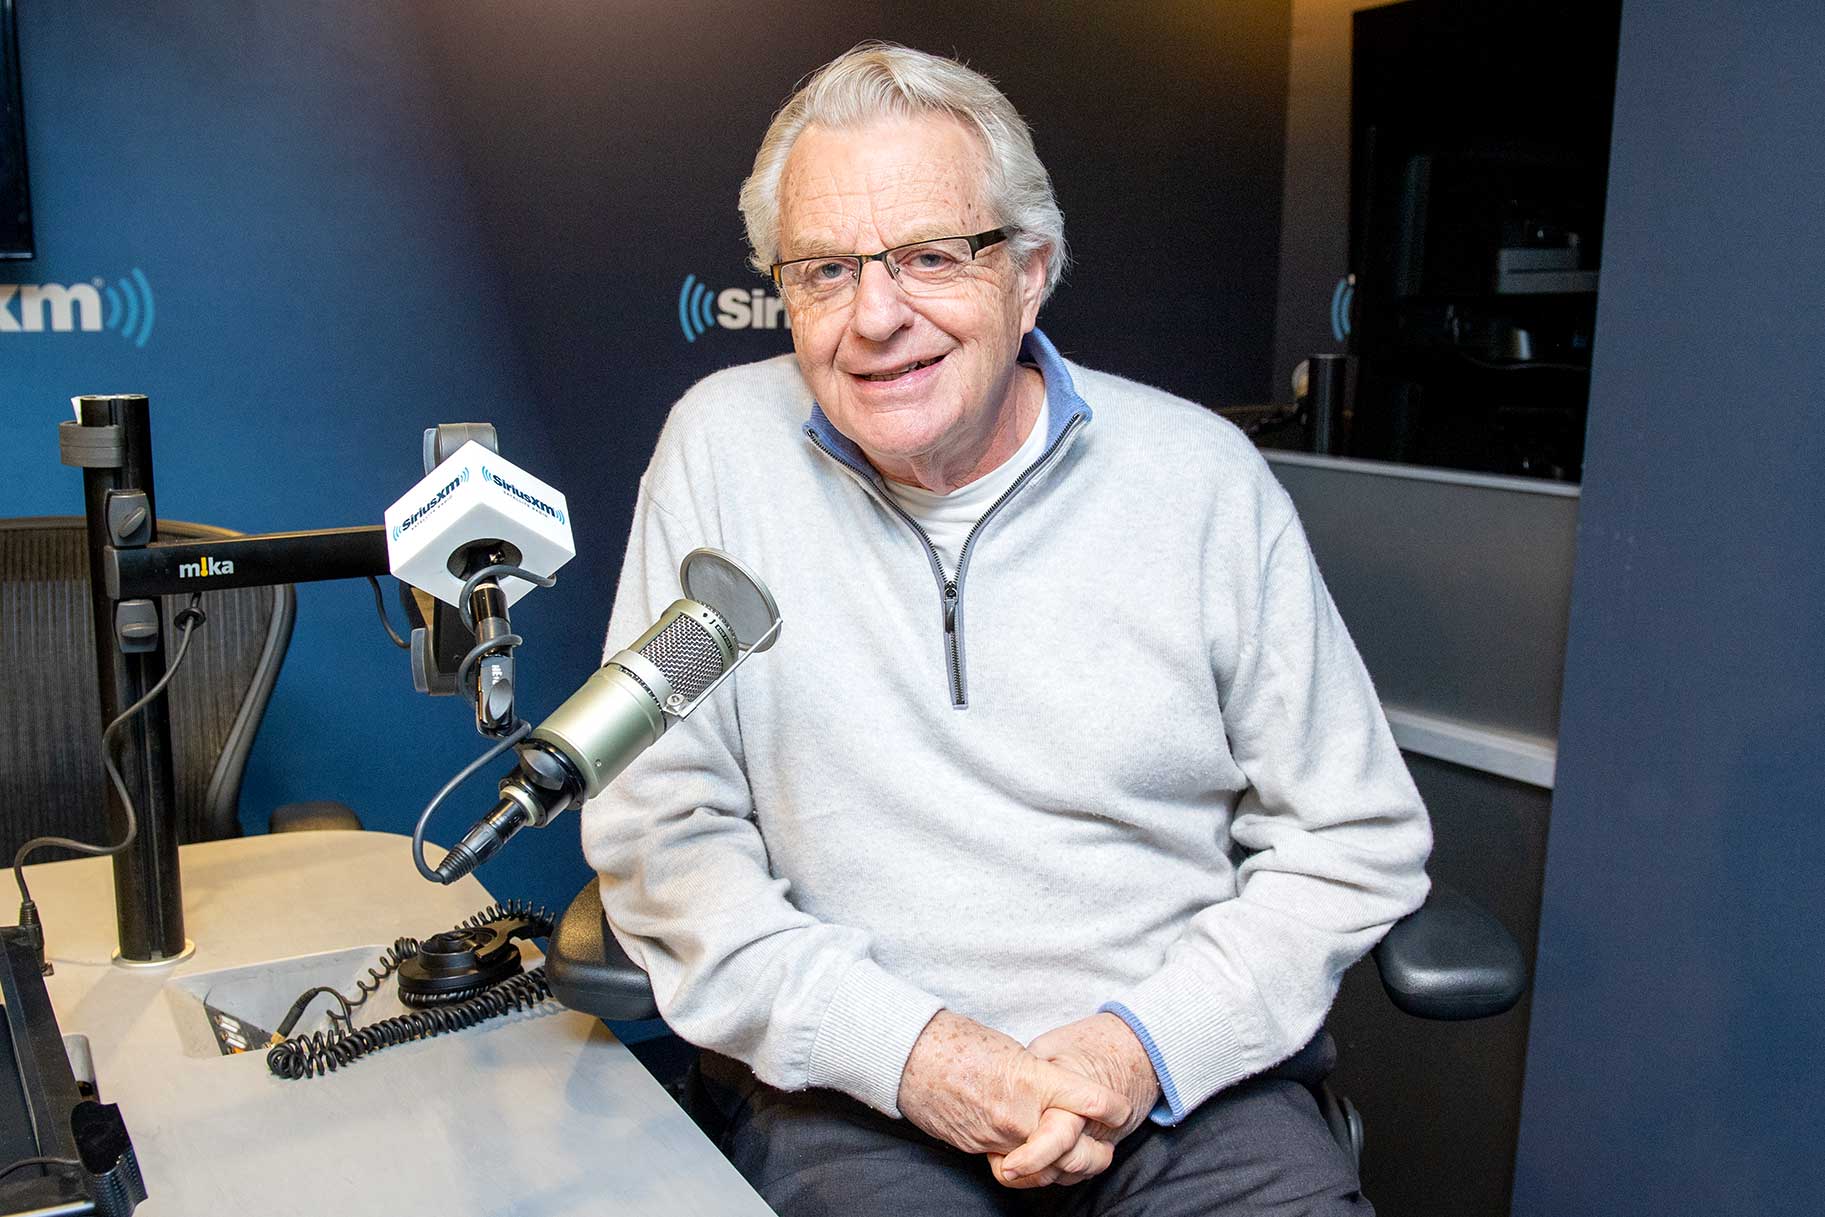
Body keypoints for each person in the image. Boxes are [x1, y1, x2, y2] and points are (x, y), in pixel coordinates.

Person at [583, 41, 1432, 1217]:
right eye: (824, 270)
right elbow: (661, 830)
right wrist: (919, 1053)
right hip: (858, 1089)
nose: (875, 317)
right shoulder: (720, 451)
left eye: (931, 257)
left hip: (1189, 1086)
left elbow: (1355, 836)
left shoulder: (1201, 479)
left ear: (1029, 272)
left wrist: (1137, 1050)